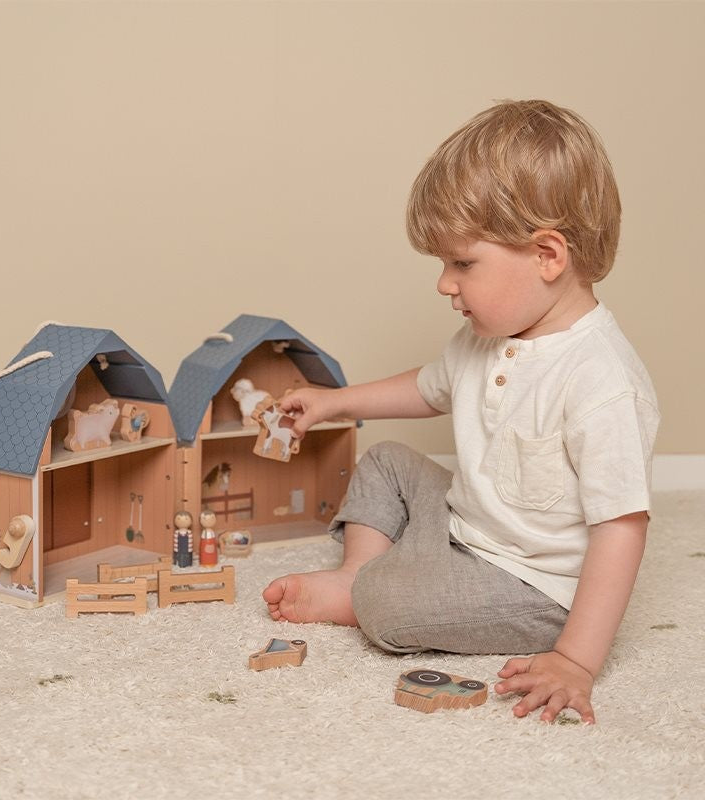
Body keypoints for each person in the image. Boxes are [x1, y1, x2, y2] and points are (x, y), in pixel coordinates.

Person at [262, 99, 659, 724]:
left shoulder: (601, 381)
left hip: (531, 584)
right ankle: (357, 572)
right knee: (385, 460)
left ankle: (368, 589)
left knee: (389, 606)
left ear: (548, 255)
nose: (444, 284)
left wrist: (575, 659)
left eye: (462, 263)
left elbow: (621, 529)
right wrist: (336, 400)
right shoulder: (488, 336)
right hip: (467, 522)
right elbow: (428, 388)